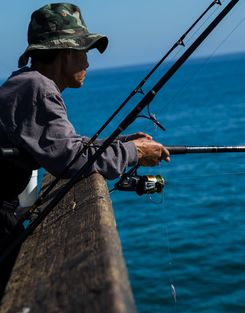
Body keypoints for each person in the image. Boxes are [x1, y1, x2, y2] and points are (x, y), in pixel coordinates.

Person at [0, 2, 170, 295]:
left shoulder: (27, 82)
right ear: (66, 54)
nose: (88, 64)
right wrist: (136, 153)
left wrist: (119, 144)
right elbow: (71, 160)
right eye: (83, 53)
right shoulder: (37, 88)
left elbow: (62, 145)